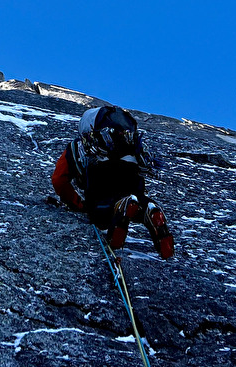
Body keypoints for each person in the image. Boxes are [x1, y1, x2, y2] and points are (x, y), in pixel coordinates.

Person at [51, 105, 174, 258]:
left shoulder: (79, 145)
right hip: (131, 176)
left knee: (100, 215)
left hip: (101, 177)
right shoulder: (127, 140)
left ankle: (122, 207)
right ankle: (149, 208)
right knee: (136, 202)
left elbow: (59, 180)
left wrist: (77, 203)